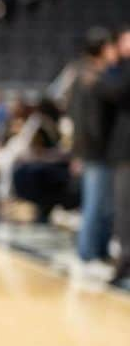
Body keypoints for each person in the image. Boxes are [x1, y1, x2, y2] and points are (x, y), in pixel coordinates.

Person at [70, 27, 117, 265]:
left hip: (103, 151)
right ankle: (87, 254)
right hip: (95, 151)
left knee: (105, 206)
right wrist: (79, 153)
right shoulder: (86, 77)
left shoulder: (99, 74)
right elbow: (82, 119)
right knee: (94, 205)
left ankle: (100, 251)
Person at [98, 25, 130, 285]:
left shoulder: (121, 72)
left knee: (124, 209)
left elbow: (116, 91)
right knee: (123, 210)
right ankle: (124, 261)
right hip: (122, 152)